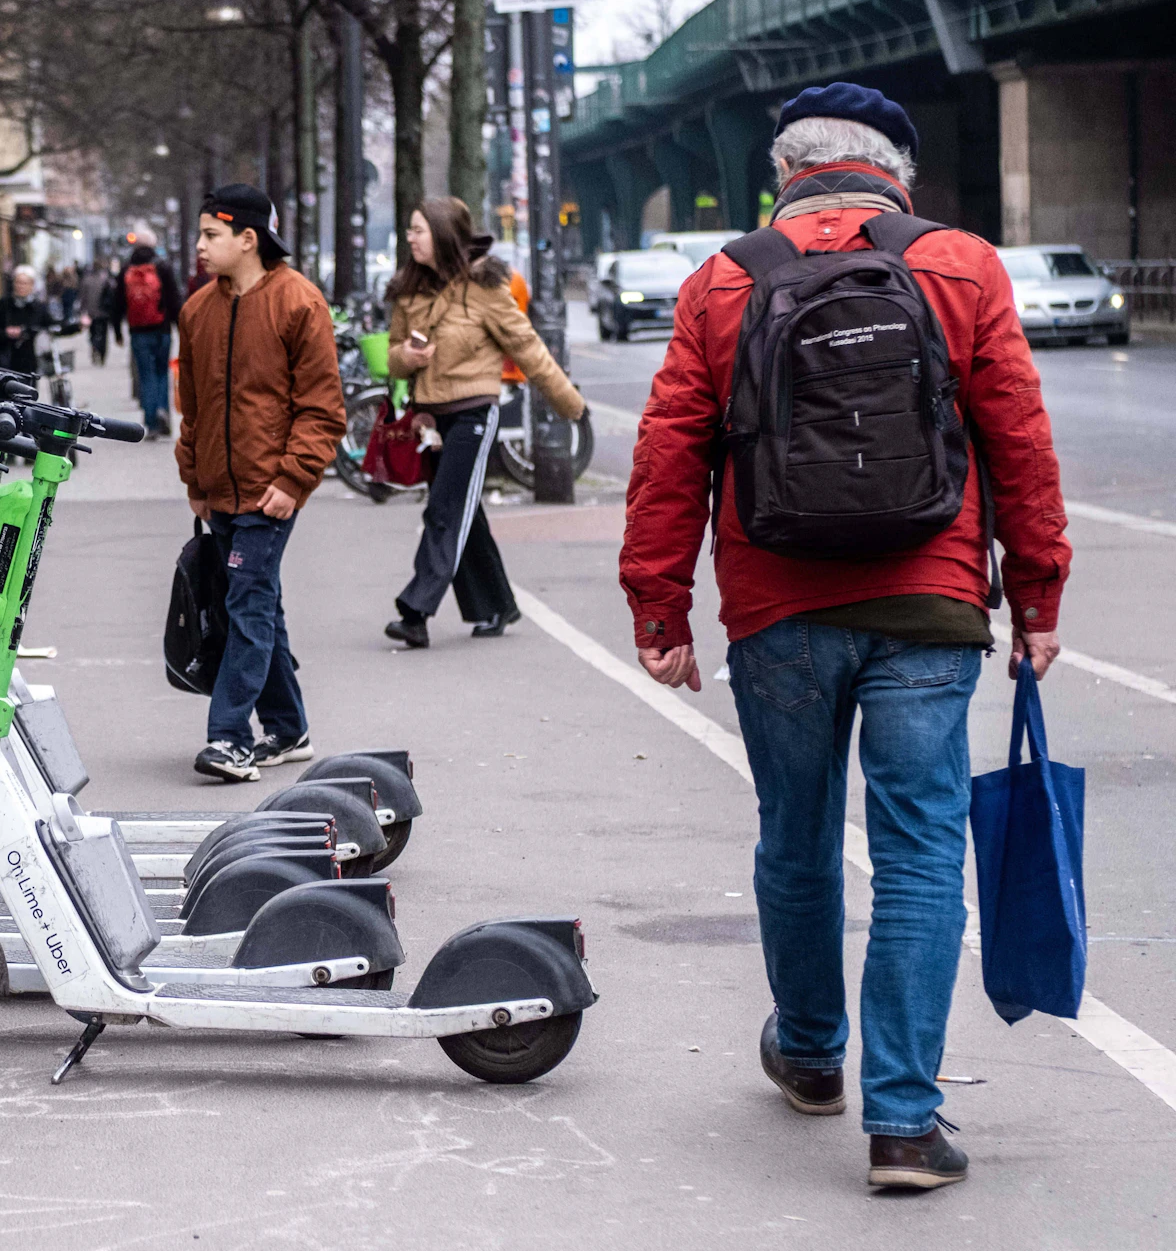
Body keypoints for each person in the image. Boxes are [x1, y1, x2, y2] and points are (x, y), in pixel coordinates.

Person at [619, 83, 1072, 1191]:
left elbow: (669, 451)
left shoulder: (723, 279)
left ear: (784, 174)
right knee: (920, 849)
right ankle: (904, 1123)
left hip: (777, 607)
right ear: (894, 174)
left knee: (796, 832)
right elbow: (1017, 438)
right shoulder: (959, 264)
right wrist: (1040, 595)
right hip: (927, 602)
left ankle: (812, 1056)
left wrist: (658, 610)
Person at [175, 184, 345, 782]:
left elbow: (323, 408)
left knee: (244, 600)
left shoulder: (299, 303)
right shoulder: (197, 310)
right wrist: (194, 477)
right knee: (255, 601)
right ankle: (288, 725)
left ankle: (227, 737)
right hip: (221, 487)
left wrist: (294, 479)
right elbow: (191, 408)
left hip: (272, 489)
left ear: (249, 240)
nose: (199, 246)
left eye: (210, 235)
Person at [381, 197, 586, 649]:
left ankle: (415, 610)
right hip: (430, 418)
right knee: (464, 513)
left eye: (418, 229)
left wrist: (571, 406)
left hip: (474, 412)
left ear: (442, 234)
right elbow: (392, 358)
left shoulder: (486, 288)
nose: (411, 238)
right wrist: (406, 357)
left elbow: (528, 347)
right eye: (409, 230)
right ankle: (496, 605)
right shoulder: (408, 288)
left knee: (445, 510)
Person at [109, 242, 185, 438]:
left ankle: (151, 422)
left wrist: (117, 332)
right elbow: (173, 299)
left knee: (145, 374)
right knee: (162, 372)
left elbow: (117, 303)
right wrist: (179, 327)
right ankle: (163, 411)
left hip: (138, 331)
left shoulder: (127, 270)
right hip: (162, 330)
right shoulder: (162, 268)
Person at [0, 265, 54, 377]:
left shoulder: (38, 308)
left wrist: (78, 325)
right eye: (18, 282)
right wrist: (6, 333)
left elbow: (54, 326)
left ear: (32, 285)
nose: (21, 286)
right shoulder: (2, 305)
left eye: (25, 283)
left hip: (28, 365)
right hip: (3, 363)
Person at [78, 261, 112, 365]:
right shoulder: (106, 280)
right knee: (104, 334)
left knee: (92, 333)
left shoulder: (86, 280)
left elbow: (82, 297)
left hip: (91, 312)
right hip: (104, 312)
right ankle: (102, 353)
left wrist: (82, 310)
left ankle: (94, 347)